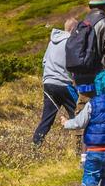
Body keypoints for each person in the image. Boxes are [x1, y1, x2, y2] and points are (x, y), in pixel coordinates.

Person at [33, 17, 79, 146]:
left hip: (48, 84)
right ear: (73, 29)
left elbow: (44, 62)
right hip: (64, 84)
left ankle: (35, 146)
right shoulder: (71, 42)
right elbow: (74, 64)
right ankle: (82, 150)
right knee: (79, 114)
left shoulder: (51, 42)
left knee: (47, 118)